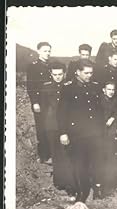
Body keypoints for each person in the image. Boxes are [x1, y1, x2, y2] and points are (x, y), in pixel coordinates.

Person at [57, 59, 105, 202]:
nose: (89, 75)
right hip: (77, 134)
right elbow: (61, 113)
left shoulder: (95, 86)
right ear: (77, 72)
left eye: (91, 73)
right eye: (86, 73)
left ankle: (97, 188)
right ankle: (82, 191)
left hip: (95, 133)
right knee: (79, 164)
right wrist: (63, 132)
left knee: (97, 162)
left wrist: (101, 130)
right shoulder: (68, 88)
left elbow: (99, 111)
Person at [40, 61, 76, 195]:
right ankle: (59, 182)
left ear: (64, 73)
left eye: (60, 74)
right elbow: (44, 109)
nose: (57, 77)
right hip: (52, 126)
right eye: (54, 74)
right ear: (51, 74)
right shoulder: (46, 87)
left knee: (67, 154)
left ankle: (69, 185)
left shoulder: (70, 87)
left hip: (67, 126)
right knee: (56, 155)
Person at [26, 42, 52, 163]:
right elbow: (31, 86)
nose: (47, 53)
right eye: (45, 51)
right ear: (38, 51)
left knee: (51, 127)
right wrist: (35, 102)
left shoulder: (51, 65)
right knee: (41, 128)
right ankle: (43, 155)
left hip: (51, 102)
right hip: (40, 102)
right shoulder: (33, 66)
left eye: (49, 51)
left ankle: (52, 153)